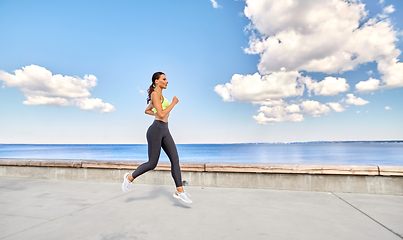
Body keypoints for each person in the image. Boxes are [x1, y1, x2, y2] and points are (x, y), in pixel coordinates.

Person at [121, 72, 192, 204]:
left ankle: (180, 191)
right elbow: (161, 113)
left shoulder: (161, 96)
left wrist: (157, 111)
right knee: (152, 163)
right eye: (164, 79)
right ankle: (129, 178)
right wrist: (174, 103)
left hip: (165, 130)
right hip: (156, 130)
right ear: (156, 81)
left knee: (175, 160)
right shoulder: (155, 94)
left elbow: (147, 110)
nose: (167, 81)